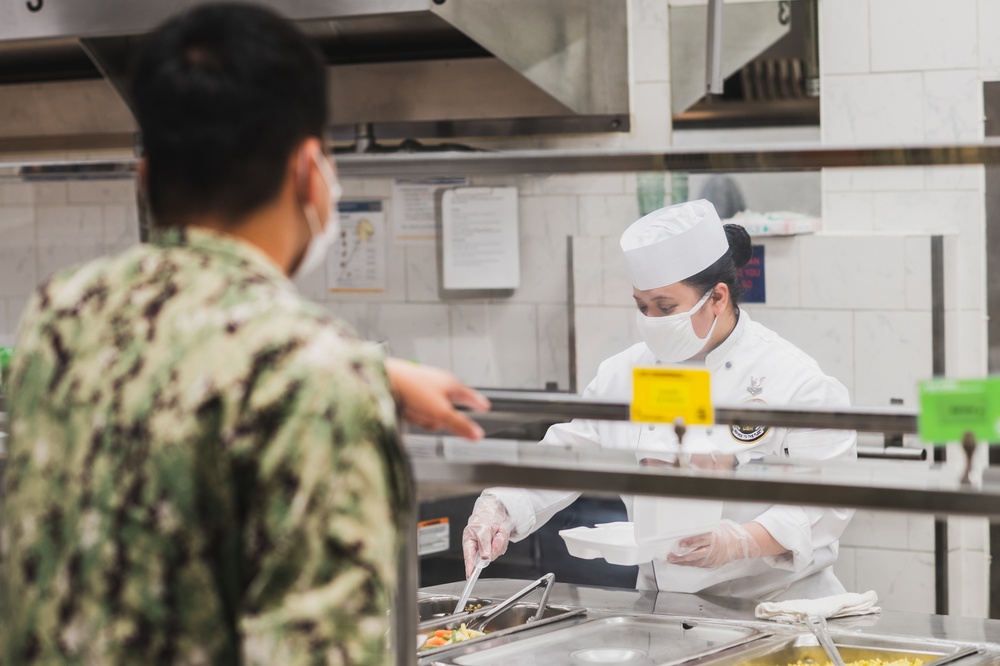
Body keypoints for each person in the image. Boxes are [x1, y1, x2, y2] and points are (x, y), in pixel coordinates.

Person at [0, 4, 488, 664]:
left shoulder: (59, 312)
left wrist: (360, 371)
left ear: (145, 179)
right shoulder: (311, 376)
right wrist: (343, 374)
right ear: (310, 173)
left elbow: (171, 364)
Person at [463, 199, 856, 601]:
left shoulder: (793, 378)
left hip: (777, 609)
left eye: (665, 307)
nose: (651, 320)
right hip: (665, 611)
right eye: (642, 306)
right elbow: (565, 457)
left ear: (718, 298)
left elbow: (828, 499)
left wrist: (741, 540)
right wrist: (500, 506)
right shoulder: (624, 375)